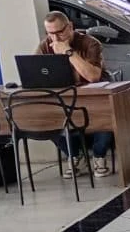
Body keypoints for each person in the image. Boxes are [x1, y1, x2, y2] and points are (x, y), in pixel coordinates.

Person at [36, 11, 112, 178]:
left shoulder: (90, 43)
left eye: (59, 32)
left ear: (70, 27)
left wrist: (69, 52)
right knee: (45, 118)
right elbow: (37, 74)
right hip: (64, 98)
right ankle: (75, 155)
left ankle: (99, 156)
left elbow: (92, 76)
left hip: (93, 97)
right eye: (50, 33)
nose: (55, 38)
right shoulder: (45, 46)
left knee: (105, 115)